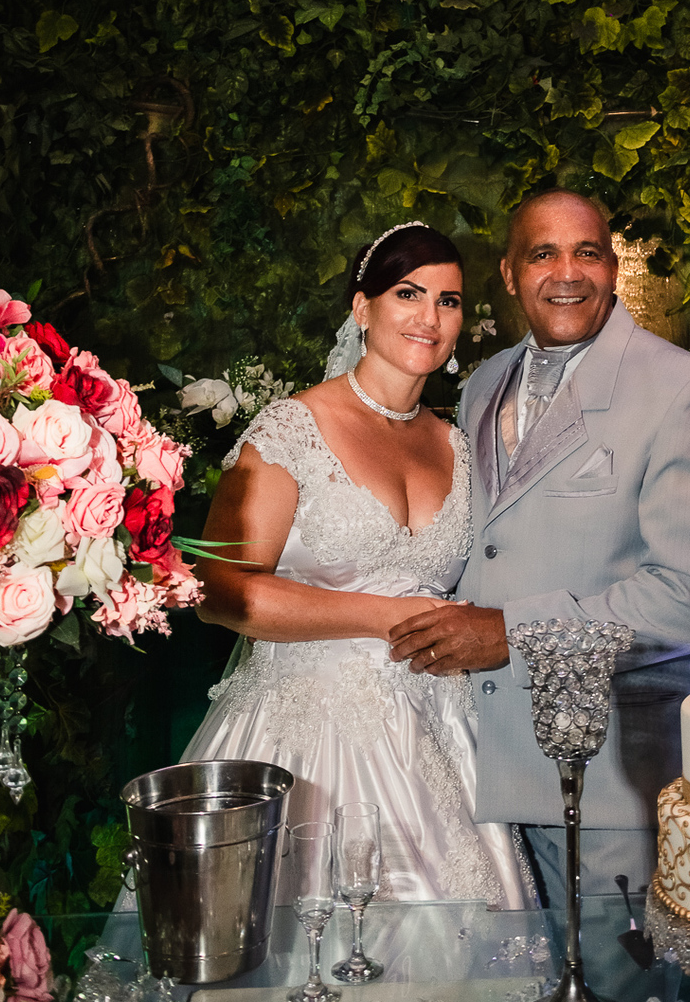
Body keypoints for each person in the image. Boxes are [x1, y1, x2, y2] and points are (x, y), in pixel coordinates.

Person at [387, 191, 690, 908]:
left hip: (610, 780)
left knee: (615, 974)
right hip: (476, 772)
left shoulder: (688, 390)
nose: (567, 273)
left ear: (613, 267)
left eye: (587, 253)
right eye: (543, 254)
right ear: (510, 272)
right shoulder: (482, 385)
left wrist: (511, 633)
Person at [185, 222, 533, 907]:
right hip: (309, 738)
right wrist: (386, 617)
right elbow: (218, 590)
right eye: (408, 293)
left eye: (448, 301)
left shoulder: (459, 447)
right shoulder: (292, 429)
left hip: (442, 734)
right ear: (361, 307)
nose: (429, 317)